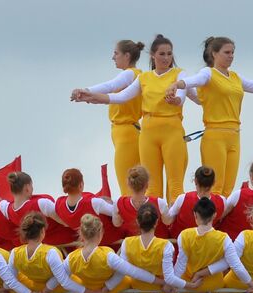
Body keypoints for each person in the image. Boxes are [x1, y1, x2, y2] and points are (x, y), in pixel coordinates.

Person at [165, 37, 253, 196]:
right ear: (214, 54)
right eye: (226, 52)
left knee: (228, 190)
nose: (231, 56)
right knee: (215, 188)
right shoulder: (208, 73)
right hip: (215, 135)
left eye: (232, 52)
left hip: (234, 136)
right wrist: (176, 85)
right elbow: (193, 81)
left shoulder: (235, 77)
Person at [77, 35, 190, 202]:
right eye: (162, 54)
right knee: (151, 188)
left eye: (169, 54)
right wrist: (90, 96)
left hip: (168, 130)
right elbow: (121, 96)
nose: (166, 58)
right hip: (147, 132)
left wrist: (177, 100)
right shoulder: (144, 78)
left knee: (174, 186)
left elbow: (184, 94)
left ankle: (175, 225)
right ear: (152, 55)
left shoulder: (179, 74)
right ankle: (152, 225)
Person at [70, 40, 147, 193]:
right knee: (131, 186)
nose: (113, 57)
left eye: (116, 53)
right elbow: (109, 95)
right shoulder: (135, 75)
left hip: (126, 133)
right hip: (126, 132)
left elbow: (110, 86)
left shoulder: (130, 74)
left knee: (127, 187)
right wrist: (87, 96)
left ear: (127, 55)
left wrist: (86, 90)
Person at [172, 197, 253, 293]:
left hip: (189, 280)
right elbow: (235, 265)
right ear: (214, 215)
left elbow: (180, 265)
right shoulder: (223, 238)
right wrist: (251, 284)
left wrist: (173, 282)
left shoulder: (184, 235)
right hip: (212, 283)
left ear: (195, 215)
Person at [64, 214, 161, 293]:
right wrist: (161, 281)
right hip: (111, 289)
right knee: (127, 284)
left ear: (81, 233)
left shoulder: (71, 258)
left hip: (88, 291)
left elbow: (63, 280)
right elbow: (133, 271)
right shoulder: (107, 255)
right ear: (100, 233)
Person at [8, 213, 91, 293]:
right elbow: (62, 280)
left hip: (40, 289)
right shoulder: (50, 252)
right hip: (63, 287)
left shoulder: (15, 253)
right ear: (42, 231)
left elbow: (10, 280)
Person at [50, 168, 116, 246]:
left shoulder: (59, 204)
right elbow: (116, 212)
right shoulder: (93, 202)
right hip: (106, 238)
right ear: (81, 185)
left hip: (85, 242)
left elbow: (65, 223)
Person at [163, 166, 225, 235]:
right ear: (213, 182)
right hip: (207, 244)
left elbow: (167, 221)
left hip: (180, 244)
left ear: (195, 181)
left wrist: (168, 208)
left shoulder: (183, 199)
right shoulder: (222, 201)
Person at [113, 165, 169, 237]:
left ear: (129, 185)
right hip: (159, 245)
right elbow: (167, 222)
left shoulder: (118, 203)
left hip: (134, 246)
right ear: (147, 185)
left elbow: (117, 224)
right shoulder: (159, 203)